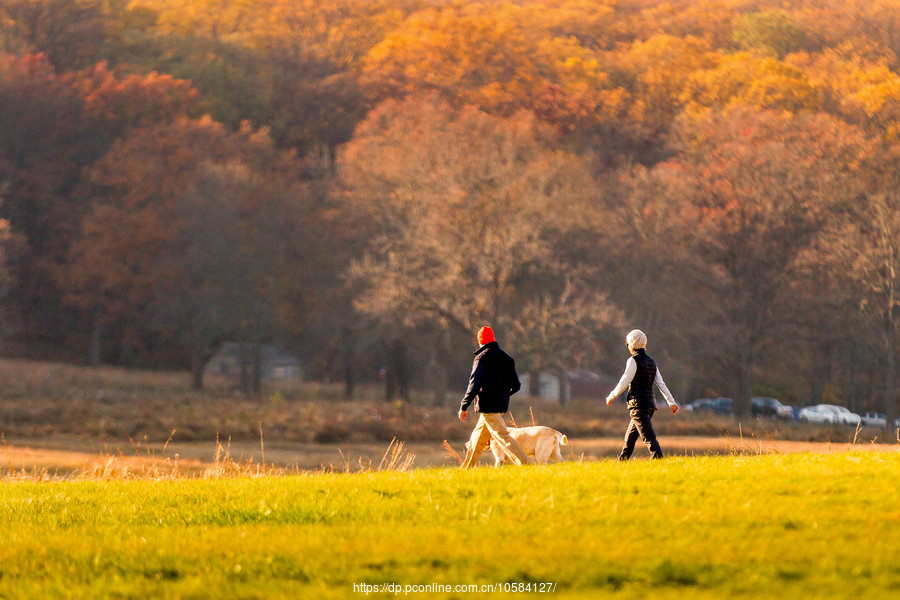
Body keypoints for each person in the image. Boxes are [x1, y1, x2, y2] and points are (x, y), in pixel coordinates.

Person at [458, 326, 533, 468]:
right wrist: (504, 395)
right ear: (493, 339)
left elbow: (474, 384)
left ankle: (527, 464)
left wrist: (464, 406)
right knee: (477, 438)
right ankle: (466, 469)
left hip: (487, 405)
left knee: (503, 436)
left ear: (480, 341)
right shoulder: (507, 359)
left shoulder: (481, 358)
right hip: (499, 406)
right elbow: (516, 385)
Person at [605, 329, 679, 460]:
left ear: (631, 345)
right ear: (645, 344)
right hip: (649, 405)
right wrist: (671, 402)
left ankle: (658, 458)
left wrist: (612, 396)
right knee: (630, 437)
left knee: (648, 436)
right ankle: (622, 461)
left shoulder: (633, 361)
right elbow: (661, 383)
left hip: (637, 404)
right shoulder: (651, 361)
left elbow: (624, 381)